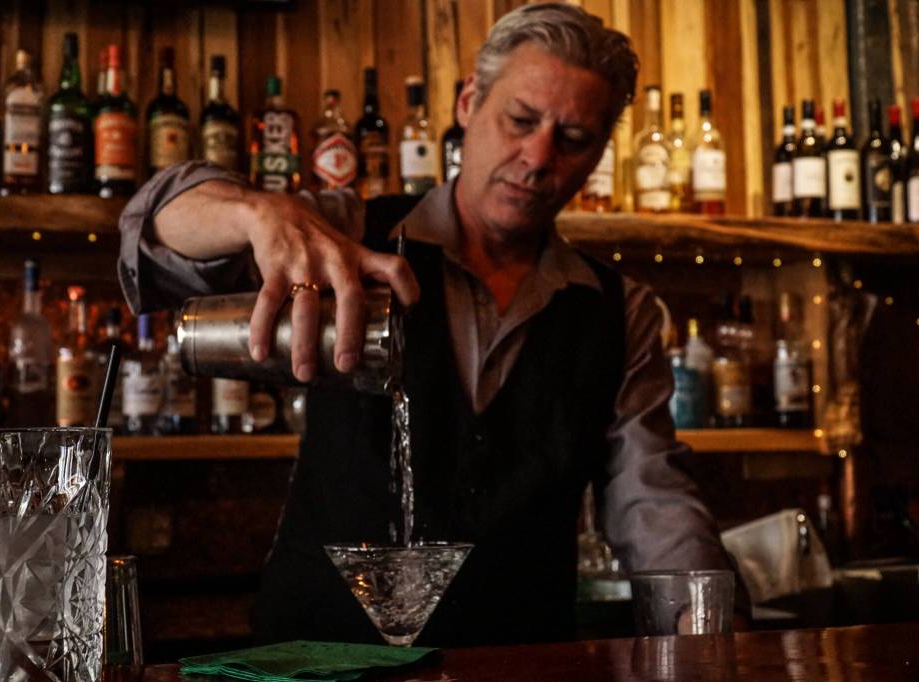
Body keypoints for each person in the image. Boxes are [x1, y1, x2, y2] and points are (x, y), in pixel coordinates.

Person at [118, 3, 747, 646]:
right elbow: (149, 234)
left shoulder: (620, 310)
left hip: (520, 663)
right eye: (520, 120)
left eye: (574, 139)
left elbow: (654, 498)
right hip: (316, 661)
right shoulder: (348, 232)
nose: (537, 157)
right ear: (469, 102)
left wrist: (706, 624)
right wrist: (256, 214)